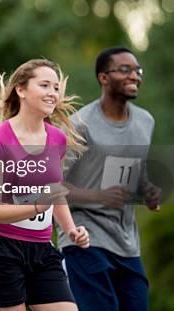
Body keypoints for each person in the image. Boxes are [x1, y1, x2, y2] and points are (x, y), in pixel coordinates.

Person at [0, 59, 90, 311]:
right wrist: (36, 205)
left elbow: (55, 192)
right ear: (21, 90)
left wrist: (70, 230)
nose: (53, 93)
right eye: (45, 85)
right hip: (0, 248)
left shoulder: (57, 139)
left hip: (41, 249)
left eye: (56, 87)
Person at [58, 47, 159, 311]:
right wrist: (98, 196)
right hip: (83, 237)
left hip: (126, 241)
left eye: (137, 70)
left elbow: (135, 172)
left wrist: (147, 191)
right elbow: (51, 186)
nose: (134, 76)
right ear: (104, 78)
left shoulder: (145, 121)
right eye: (125, 70)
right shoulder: (79, 125)